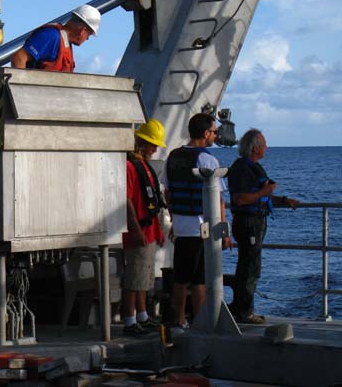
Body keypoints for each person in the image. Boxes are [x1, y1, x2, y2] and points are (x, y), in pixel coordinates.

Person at [161, 113, 232, 330]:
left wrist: (174, 219)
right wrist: (225, 232)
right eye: (213, 131)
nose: (215, 135)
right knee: (200, 278)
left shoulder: (172, 157)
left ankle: (180, 318)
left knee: (181, 277)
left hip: (182, 226)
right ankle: (202, 321)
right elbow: (217, 199)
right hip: (202, 227)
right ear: (205, 133)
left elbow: (168, 193)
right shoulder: (208, 160)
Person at [227, 129, 299, 324]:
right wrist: (266, 190)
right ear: (255, 148)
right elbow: (241, 199)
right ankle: (244, 311)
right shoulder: (243, 169)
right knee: (250, 267)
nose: (267, 148)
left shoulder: (249, 168)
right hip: (249, 224)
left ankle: (239, 307)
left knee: (247, 266)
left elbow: (258, 197)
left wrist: (283, 200)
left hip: (254, 222)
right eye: (264, 144)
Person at [122, 119, 167, 336]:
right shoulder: (130, 167)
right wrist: (136, 230)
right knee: (134, 278)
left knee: (144, 278)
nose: (154, 149)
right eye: (151, 144)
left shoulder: (145, 167)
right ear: (139, 141)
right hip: (138, 231)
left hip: (148, 230)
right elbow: (127, 200)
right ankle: (130, 320)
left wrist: (157, 230)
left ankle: (142, 315)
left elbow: (154, 202)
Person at [10, 4, 101, 72]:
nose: (87, 38)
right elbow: (18, 57)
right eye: (89, 34)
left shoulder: (65, 43)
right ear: (82, 30)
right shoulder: (51, 36)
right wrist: (22, 90)